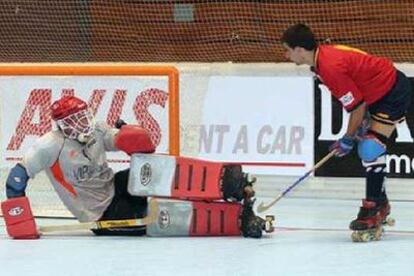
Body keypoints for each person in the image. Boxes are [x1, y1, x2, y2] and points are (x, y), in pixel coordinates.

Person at [1, 95, 273, 239]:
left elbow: (118, 140)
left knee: (149, 169)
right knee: (163, 215)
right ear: (62, 125)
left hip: (114, 186)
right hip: (100, 211)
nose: (82, 123)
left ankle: (226, 182)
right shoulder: (50, 145)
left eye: (83, 116)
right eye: (74, 120)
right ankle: (236, 222)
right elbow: (16, 179)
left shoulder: (95, 129)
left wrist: (130, 135)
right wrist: (19, 217)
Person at [281, 23, 412, 238]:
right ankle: (379, 202)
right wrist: (359, 124)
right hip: (376, 93)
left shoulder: (329, 67)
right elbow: (358, 91)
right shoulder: (322, 60)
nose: (285, 55)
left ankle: (374, 206)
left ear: (299, 50)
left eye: (287, 49)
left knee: (369, 148)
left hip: (392, 91)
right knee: (370, 149)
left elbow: (357, 107)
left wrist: (348, 138)